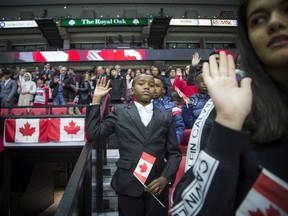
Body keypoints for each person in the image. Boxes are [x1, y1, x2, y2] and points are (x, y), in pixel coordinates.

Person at [171, 0, 288, 215]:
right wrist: (227, 123)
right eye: (258, 19)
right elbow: (185, 209)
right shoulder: (231, 108)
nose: (275, 22)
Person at [86, 75, 182, 216]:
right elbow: (93, 133)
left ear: (156, 90)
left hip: (157, 184)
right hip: (127, 183)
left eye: (151, 84)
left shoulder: (165, 116)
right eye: (141, 83)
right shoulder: (119, 112)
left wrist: (165, 178)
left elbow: (174, 153)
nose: (147, 87)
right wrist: (96, 100)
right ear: (132, 90)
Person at [153, 75, 185, 145]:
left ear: (163, 90)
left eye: (157, 86)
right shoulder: (142, 106)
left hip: (167, 146)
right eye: (151, 86)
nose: (154, 89)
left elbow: (179, 127)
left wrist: (173, 145)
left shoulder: (173, 107)